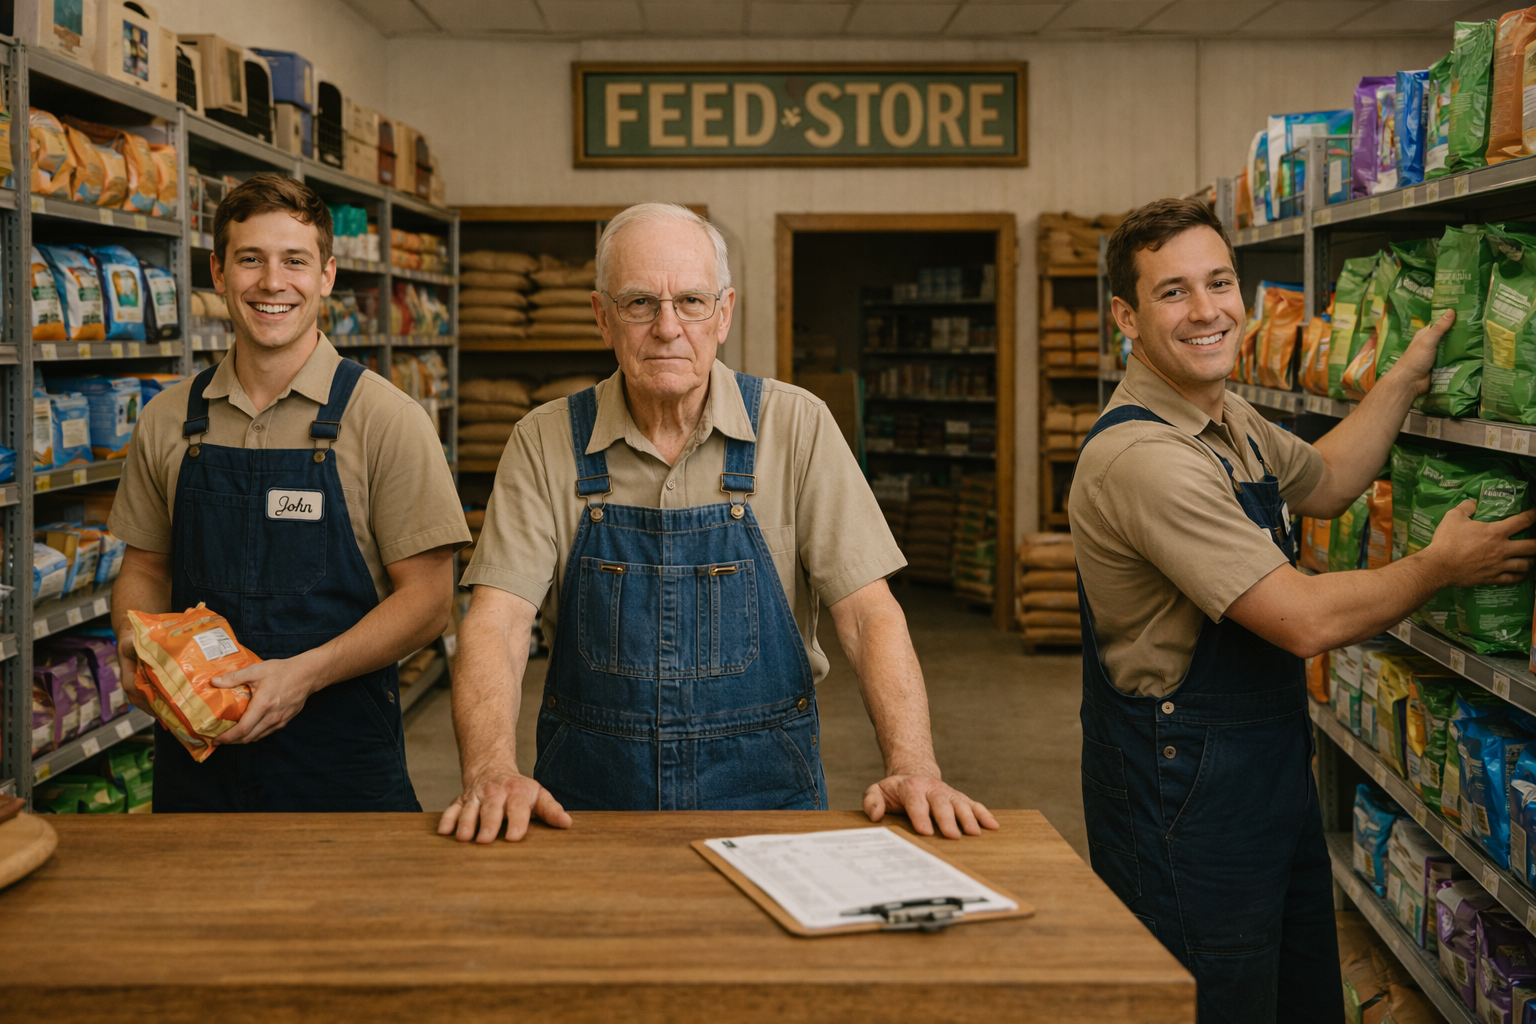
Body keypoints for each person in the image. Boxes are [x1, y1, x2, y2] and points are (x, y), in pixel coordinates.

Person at [1071, 197, 1536, 1023]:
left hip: (1262, 778)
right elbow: (1302, 621)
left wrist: (1405, 374)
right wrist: (1438, 566)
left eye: (1220, 282)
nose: (1208, 309)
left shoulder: (1226, 418)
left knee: (1291, 997)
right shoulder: (1144, 458)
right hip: (1183, 796)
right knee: (1213, 1005)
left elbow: (1326, 480)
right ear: (1127, 317)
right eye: (1173, 292)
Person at [440, 202, 996, 843]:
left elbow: (869, 614)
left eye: (692, 302)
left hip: (766, 793)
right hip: (587, 801)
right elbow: (498, 620)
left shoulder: (797, 426)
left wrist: (914, 765)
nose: (668, 327)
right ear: (602, 317)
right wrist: (489, 769)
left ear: (724, 313)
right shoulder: (543, 441)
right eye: (640, 303)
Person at [109, 174, 469, 812]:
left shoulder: (385, 418)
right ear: (218, 273)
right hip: (198, 752)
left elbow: (429, 602)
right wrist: (136, 649)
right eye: (251, 259)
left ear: (327, 275)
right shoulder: (168, 419)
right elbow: (143, 568)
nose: (272, 283)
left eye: (294, 261)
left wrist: (302, 675)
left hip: (339, 759)